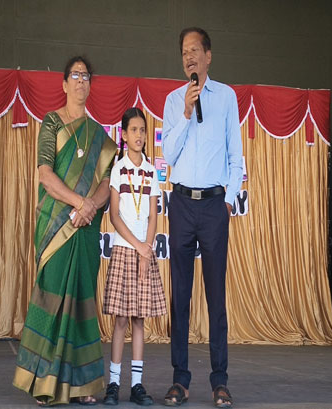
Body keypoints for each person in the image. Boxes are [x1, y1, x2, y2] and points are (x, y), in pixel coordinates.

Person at [13, 56, 118, 406]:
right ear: (64, 83)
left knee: (82, 305)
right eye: (75, 75)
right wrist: (79, 203)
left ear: (91, 84)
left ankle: (83, 386)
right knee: (53, 300)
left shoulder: (100, 136)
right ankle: (43, 383)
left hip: (84, 230)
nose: (80, 80)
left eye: (86, 76)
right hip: (56, 225)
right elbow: (45, 175)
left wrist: (89, 207)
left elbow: (106, 183)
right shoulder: (52, 123)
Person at [161, 27, 243, 408]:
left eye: (194, 50)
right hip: (181, 203)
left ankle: (219, 381)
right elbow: (168, 154)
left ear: (208, 56)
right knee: (180, 296)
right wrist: (185, 112)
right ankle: (180, 380)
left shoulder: (226, 97)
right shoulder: (173, 100)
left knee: (215, 298)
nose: (189, 56)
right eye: (184, 52)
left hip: (213, 206)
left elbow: (235, 156)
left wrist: (228, 201)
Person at [102, 107, 167, 406]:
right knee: (120, 320)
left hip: (144, 253)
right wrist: (137, 246)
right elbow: (114, 216)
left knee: (139, 320)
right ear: (124, 135)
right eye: (134, 130)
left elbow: (153, 216)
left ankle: (137, 385)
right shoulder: (118, 169)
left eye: (143, 130)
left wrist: (146, 248)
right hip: (124, 250)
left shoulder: (152, 172)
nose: (139, 135)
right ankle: (114, 383)